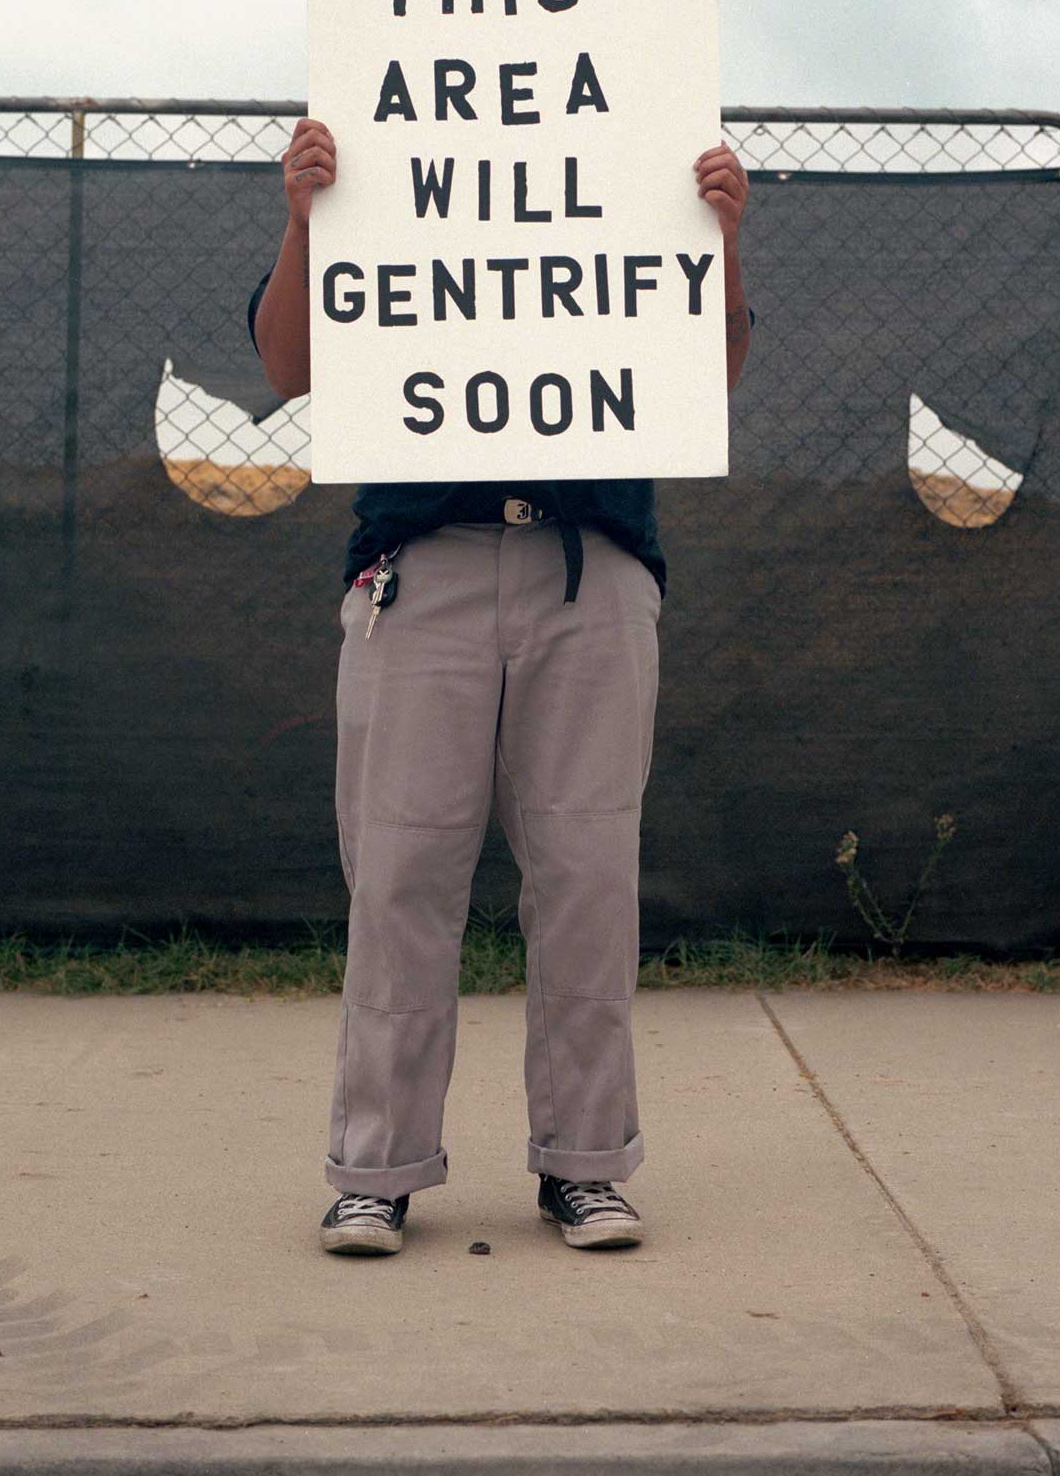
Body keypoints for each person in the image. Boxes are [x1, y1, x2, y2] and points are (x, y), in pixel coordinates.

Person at [249, 117, 751, 1256]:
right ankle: (375, 1167)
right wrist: (303, 216)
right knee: (399, 872)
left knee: (587, 873)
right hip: (420, 567)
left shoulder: (629, 153)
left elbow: (705, 374)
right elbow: (288, 366)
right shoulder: (383, 166)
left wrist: (718, 232)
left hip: (595, 565)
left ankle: (585, 1164)